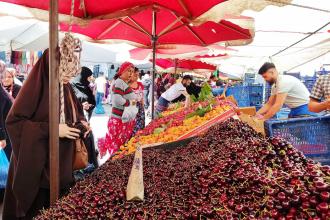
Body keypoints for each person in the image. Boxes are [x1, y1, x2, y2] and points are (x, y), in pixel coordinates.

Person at [3, 49, 91, 219]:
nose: (68, 78)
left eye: (71, 72)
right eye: (64, 71)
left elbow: (75, 113)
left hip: (61, 165)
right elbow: (14, 123)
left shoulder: (65, 87)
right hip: (37, 168)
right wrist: (53, 129)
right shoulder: (36, 87)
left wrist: (82, 124)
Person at [98, 62, 137, 157]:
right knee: (116, 147)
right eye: (128, 71)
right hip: (118, 120)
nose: (131, 73)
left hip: (121, 119)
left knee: (118, 145)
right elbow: (117, 99)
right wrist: (131, 102)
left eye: (132, 71)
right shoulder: (119, 82)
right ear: (122, 71)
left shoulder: (122, 83)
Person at [71, 67, 98, 168]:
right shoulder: (71, 86)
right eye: (88, 77)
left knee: (89, 139)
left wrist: (90, 105)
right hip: (76, 120)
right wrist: (80, 105)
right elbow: (70, 103)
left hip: (86, 119)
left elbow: (92, 100)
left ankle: (89, 163)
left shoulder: (87, 87)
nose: (89, 79)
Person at [130, 68, 145, 136]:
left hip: (140, 108)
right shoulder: (127, 85)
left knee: (141, 124)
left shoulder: (140, 84)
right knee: (133, 125)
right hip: (131, 107)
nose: (137, 77)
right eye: (135, 75)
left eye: (138, 75)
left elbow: (141, 97)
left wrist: (142, 105)